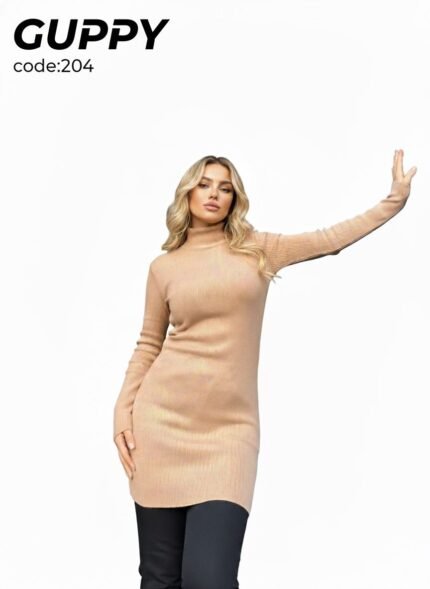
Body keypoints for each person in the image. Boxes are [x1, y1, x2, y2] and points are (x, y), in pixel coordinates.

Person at [113, 149, 417, 588]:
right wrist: (122, 413)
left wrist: (392, 202)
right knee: (160, 578)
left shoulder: (257, 250)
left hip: (228, 434)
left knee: (209, 579)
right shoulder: (164, 268)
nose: (214, 194)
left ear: (235, 199)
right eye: (205, 184)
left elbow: (329, 239)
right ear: (187, 194)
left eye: (225, 188)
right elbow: (148, 344)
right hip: (160, 427)